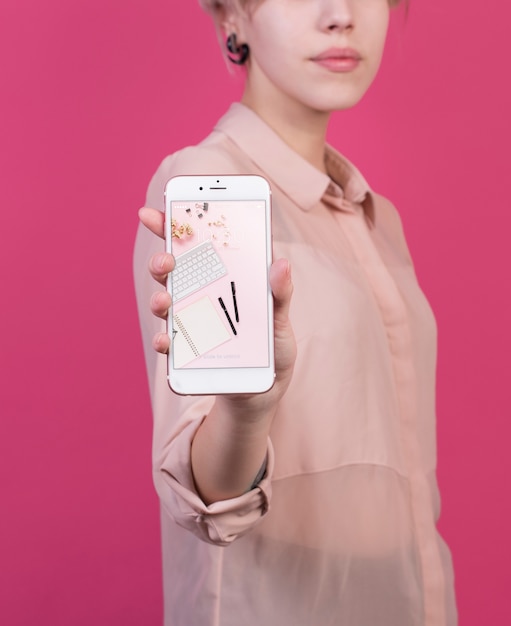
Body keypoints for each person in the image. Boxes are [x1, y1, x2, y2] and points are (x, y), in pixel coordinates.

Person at [133, 0, 457, 623]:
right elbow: (206, 494)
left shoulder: (375, 217)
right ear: (232, 16)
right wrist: (248, 407)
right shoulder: (209, 184)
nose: (341, 14)